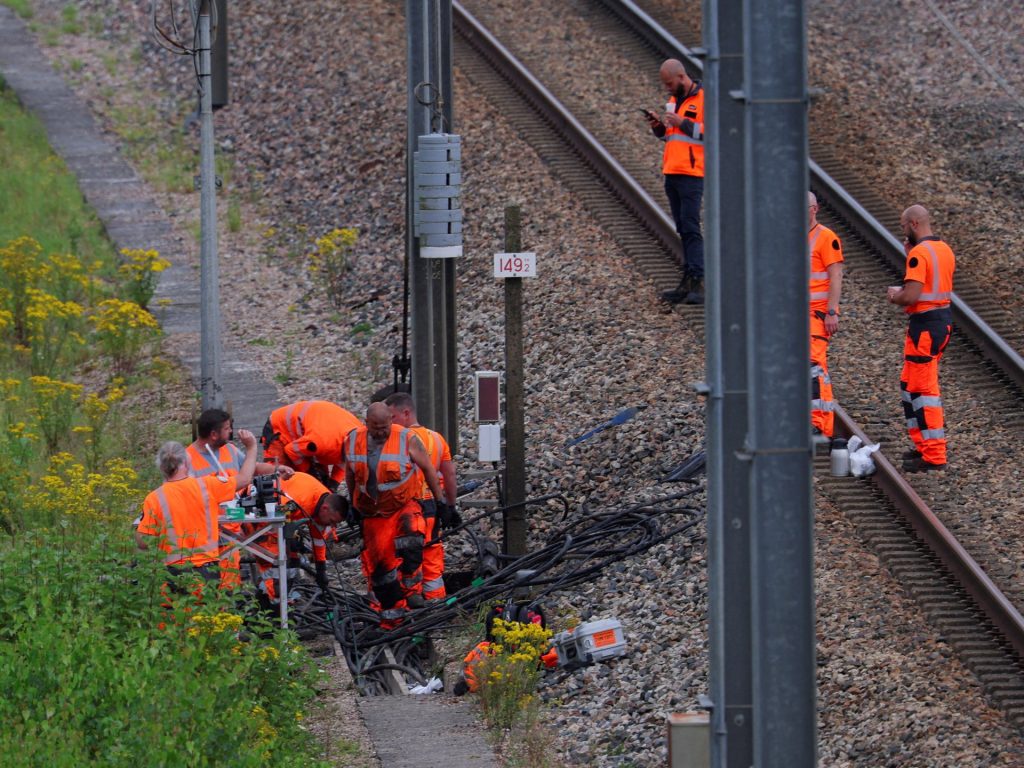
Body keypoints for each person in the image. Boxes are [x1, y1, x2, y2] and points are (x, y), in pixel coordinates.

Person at [345, 402, 444, 627]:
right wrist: (352, 504)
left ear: (392, 419)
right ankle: (392, 615)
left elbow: (429, 468)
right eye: (376, 427)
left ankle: (412, 592)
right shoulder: (352, 440)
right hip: (373, 514)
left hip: (403, 505)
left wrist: (442, 503)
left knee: (412, 541)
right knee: (381, 567)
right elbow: (350, 475)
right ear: (366, 423)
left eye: (384, 426)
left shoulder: (406, 438)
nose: (381, 432)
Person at [136, 431, 258, 587]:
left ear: (161, 467)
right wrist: (252, 447)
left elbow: (144, 541)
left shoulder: (154, 498)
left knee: (178, 611)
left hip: (173, 573)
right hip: (207, 570)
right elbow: (244, 478)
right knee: (208, 610)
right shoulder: (207, 486)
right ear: (187, 462)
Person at [187, 407, 293, 588]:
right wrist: (252, 447)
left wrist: (276, 469)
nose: (231, 432)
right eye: (227, 428)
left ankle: (266, 594)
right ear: (214, 434)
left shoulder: (230, 449)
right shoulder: (187, 459)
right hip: (209, 531)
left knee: (237, 569)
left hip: (235, 523)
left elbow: (251, 467)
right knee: (211, 580)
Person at [886, 204, 955, 472]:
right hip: (940, 322)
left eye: (903, 226)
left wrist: (895, 295)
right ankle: (924, 447)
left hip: (925, 326)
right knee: (911, 385)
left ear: (914, 224)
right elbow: (933, 283)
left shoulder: (919, 255)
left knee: (923, 390)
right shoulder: (944, 249)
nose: (902, 231)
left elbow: (912, 295)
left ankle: (934, 455)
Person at [384, 391, 460, 601]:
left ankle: (411, 606)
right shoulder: (437, 439)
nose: (389, 423)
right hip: (432, 507)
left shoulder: (398, 440)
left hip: (407, 510)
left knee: (406, 559)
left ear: (406, 413)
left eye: (392, 417)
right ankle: (435, 604)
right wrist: (450, 506)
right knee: (431, 555)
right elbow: (450, 475)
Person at [646, 58, 705, 305]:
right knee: (682, 227)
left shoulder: (704, 99)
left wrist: (681, 122)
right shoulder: (674, 101)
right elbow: (671, 137)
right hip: (673, 171)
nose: (667, 89)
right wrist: (658, 126)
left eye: (670, 84)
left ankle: (698, 283)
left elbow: (709, 133)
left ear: (682, 77)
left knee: (691, 227)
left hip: (692, 174)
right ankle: (688, 280)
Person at [253, 471, 347, 602]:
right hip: (261, 511)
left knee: (293, 560)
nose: (331, 526)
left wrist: (321, 570)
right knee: (273, 559)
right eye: (331, 521)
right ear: (325, 508)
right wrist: (289, 537)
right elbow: (274, 516)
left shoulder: (324, 506)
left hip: (280, 515)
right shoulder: (300, 500)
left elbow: (319, 540)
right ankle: (273, 602)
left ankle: (283, 598)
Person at [807, 192, 844, 439]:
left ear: (815, 209)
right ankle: (812, 422)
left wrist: (831, 311)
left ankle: (819, 424)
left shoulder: (826, 237)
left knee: (814, 366)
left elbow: (836, 276)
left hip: (817, 314)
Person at [261, 400, 362, 488]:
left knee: (322, 482)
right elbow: (291, 450)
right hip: (278, 429)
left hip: (310, 434)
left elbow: (344, 462)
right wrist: (308, 472)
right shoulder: (322, 442)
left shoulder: (360, 436)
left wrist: (333, 484)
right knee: (278, 479)